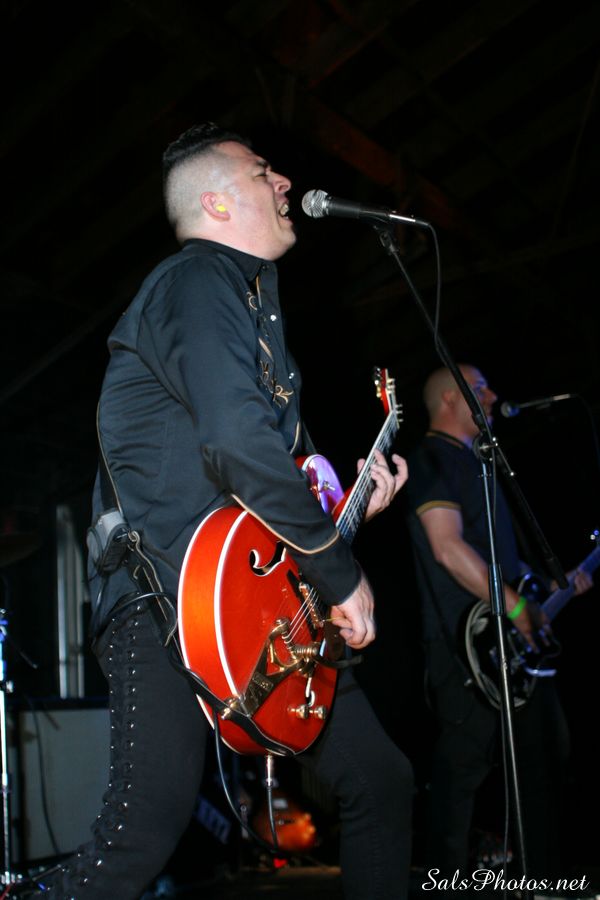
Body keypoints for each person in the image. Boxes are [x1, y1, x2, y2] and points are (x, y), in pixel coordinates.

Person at [39, 123, 414, 899]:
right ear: (215, 202)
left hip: (258, 608)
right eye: (262, 171)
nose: (285, 183)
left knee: (379, 777)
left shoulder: (256, 316)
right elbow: (238, 445)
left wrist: (351, 509)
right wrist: (339, 572)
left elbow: (270, 486)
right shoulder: (196, 281)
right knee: (141, 835)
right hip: (167, 600)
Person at [405, 364, 592, 885]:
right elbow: (447, 548)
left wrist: (550, 586)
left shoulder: (482, 466)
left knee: (545, 757)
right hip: (466, 646)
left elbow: (502, 564)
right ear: (449, 398)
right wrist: (514, 608)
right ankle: (445, 886)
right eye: (480, 388)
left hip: (509, 645)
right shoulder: (431, 459)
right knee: (462, 772)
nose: (492, 397)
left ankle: (545, 881)